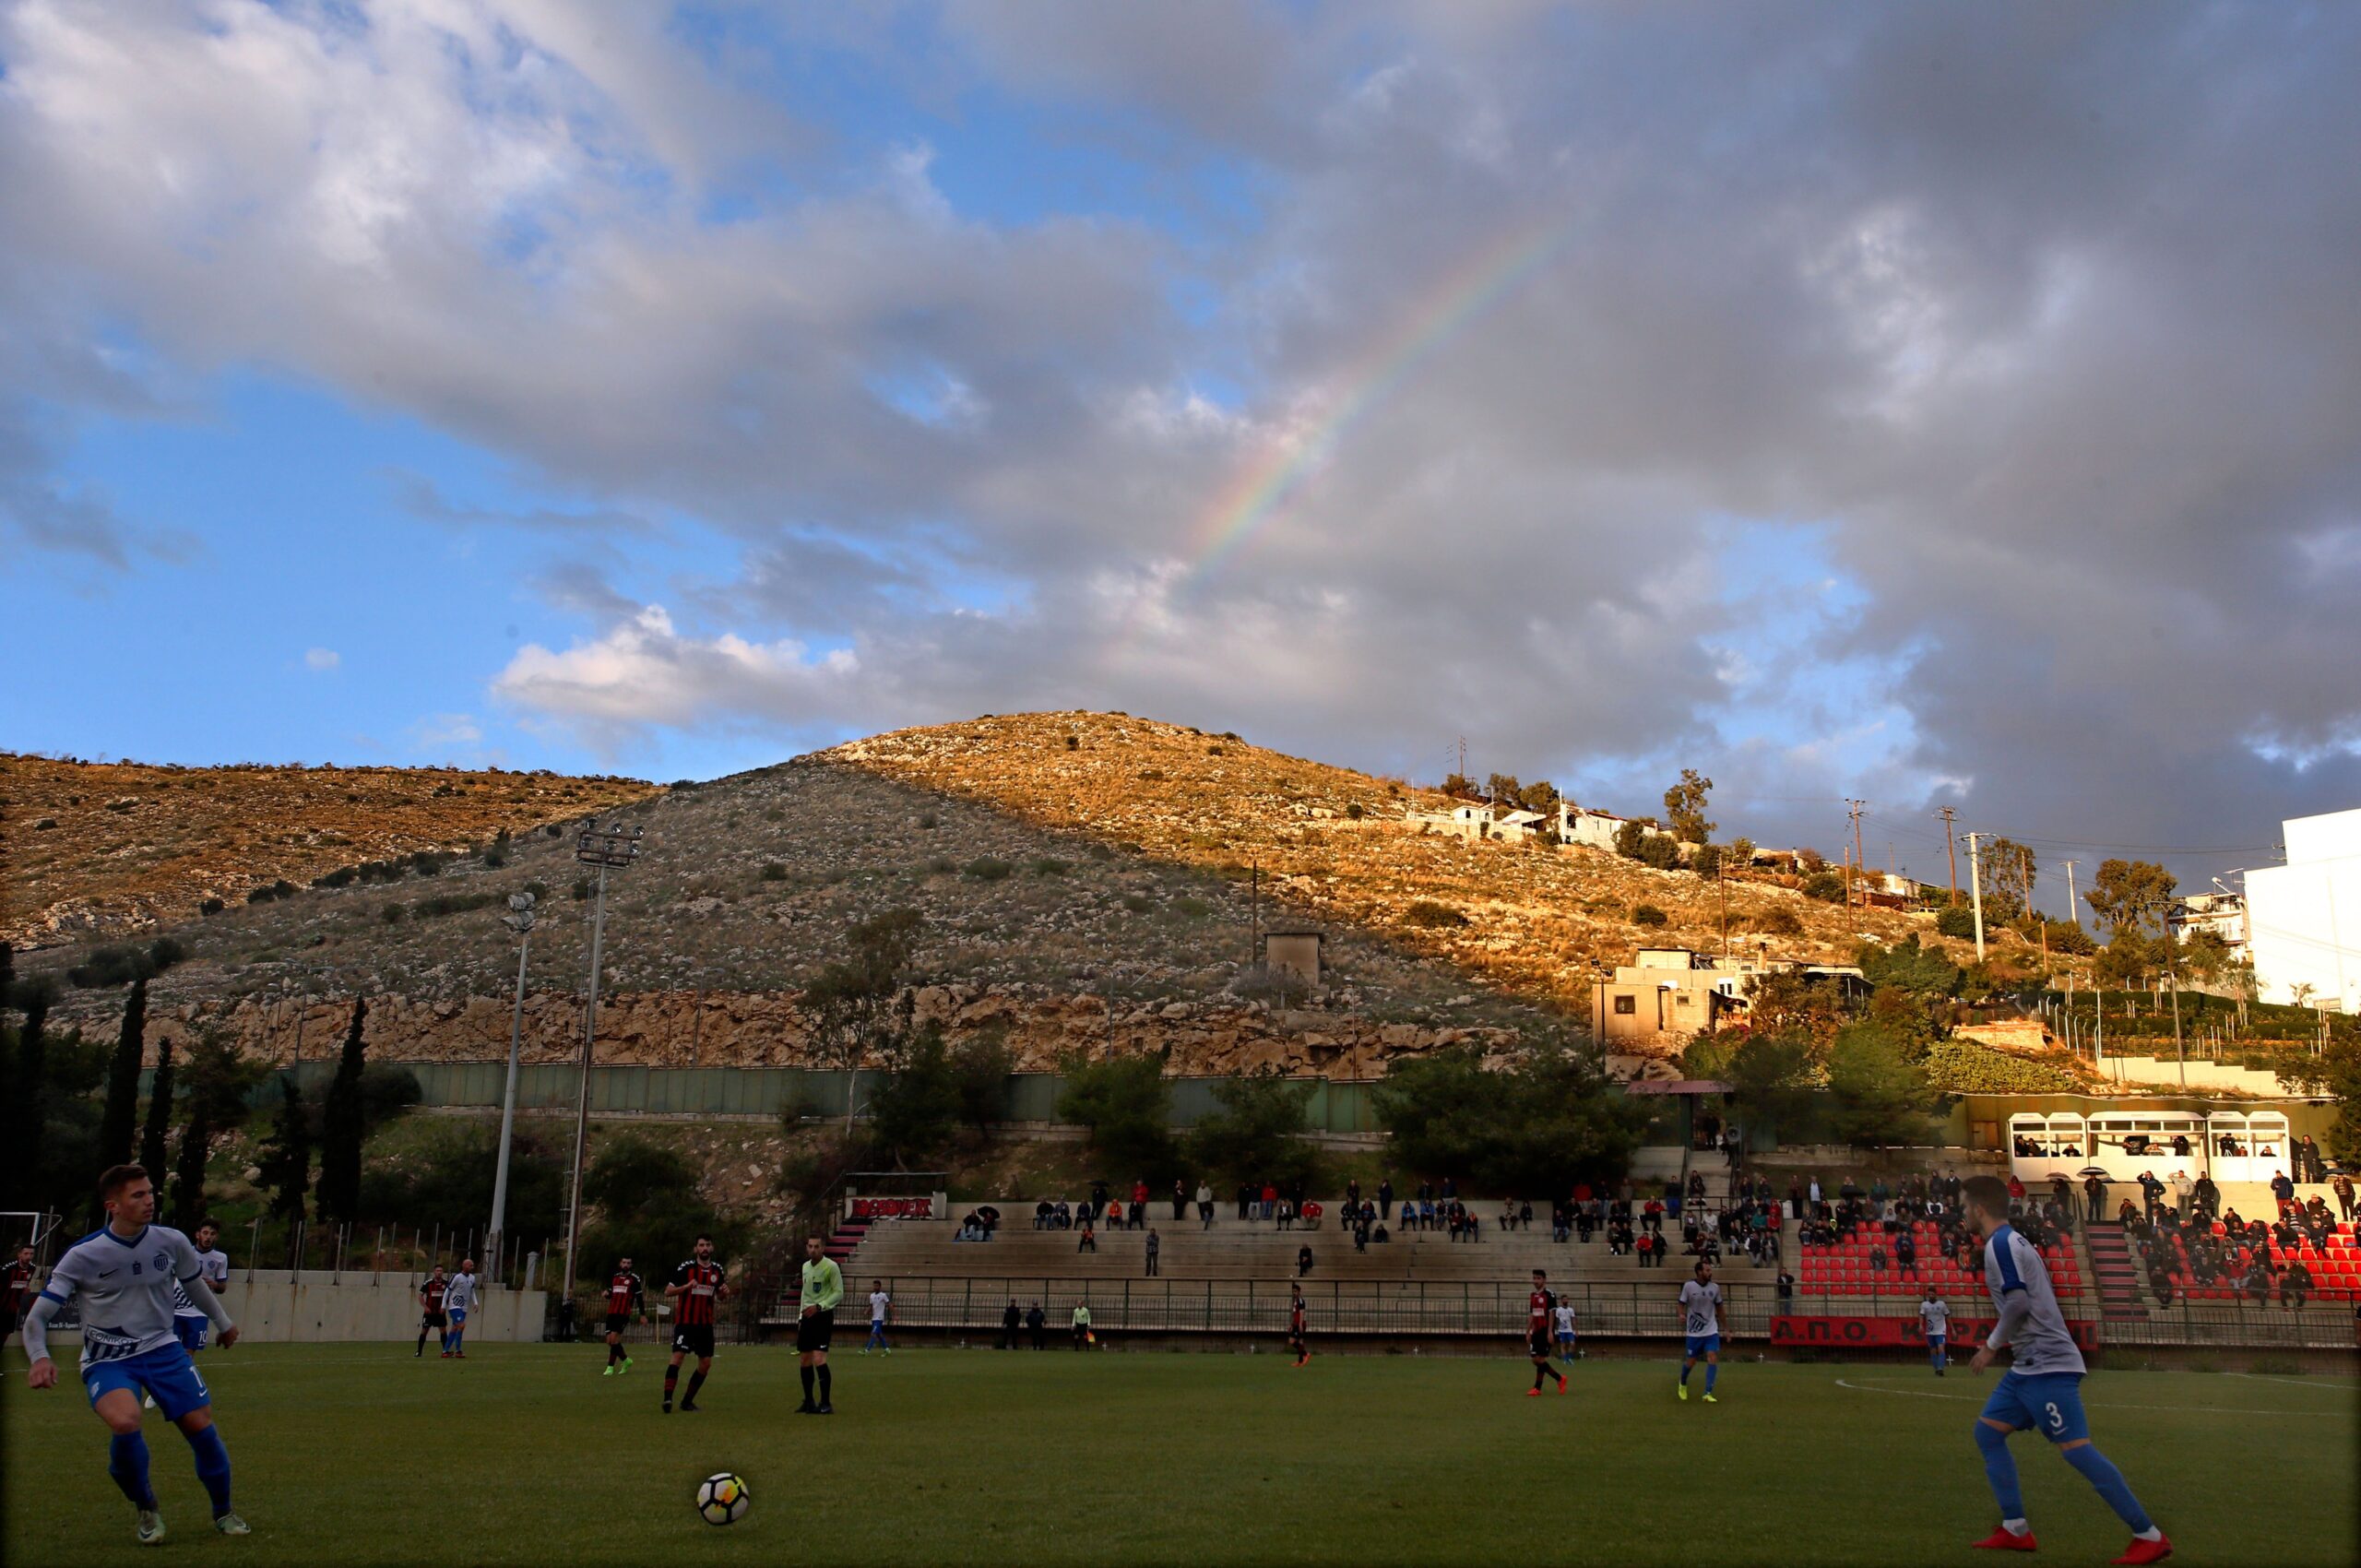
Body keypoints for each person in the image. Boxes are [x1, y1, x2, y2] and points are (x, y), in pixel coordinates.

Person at [21, 1164, 245, 1543]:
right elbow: (37, 1317)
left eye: (150, 1192)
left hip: (164, 1349)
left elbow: (194, 1286)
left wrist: (223, 1323)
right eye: (138, 1195)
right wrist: (40, 1357)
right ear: (113, 1205)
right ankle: (146, 1507)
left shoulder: (171, 1241)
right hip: (108, 1358)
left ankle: (224, 1511)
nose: (149, 1201)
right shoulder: (83, 1254)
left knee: (201, 1428)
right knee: (126, 1421)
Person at [1960, 1173, 2169, 1563]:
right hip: (2027, 1367)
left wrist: (1990, 1347)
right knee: (1987, 1433)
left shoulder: (2000, 1245)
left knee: (2076, 1451)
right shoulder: (2010, 1241)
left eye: (1965, 1206)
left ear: (1980, 1209)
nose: (1963, 1213)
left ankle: (2148, 1535)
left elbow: (2018, 1303)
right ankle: (2015, 1529)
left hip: (2047, 1364)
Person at [664, 1234, 728, 1414]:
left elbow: (720, 1296)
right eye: (701, 1245)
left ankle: (687, 1402)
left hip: (705, 1325)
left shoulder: (717, 1270)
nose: (704, 1248)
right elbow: (668, 1291)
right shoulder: (686, 1268)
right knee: (678, 1357)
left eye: (707, 1245)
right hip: (685, 1323)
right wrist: (686, 1286)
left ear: (712, 1248)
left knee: (705, 1364)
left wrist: (724, 1293)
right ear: (695, 1249)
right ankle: (667, 1398)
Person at [794, 1235, 838, 1414]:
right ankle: (809, 1401)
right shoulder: (805, 1266)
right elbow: (804, 1294)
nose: (813, 1250)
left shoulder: (831, 1267)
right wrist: (800, 1316)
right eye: (810, 1246)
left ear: (823, 1248)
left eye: (816, 1246)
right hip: (807, 1317)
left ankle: (826, 1403)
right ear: (807, 1247)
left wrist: (820, 1306)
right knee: (804, 1359)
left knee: (819, 1358)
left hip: (822, 1316)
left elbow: (839, 1293)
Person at [1676, 1260, 1723, 1403]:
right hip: (1694, 1333)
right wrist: (1681, 1314)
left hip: (1711, 1330)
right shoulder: (1689, 1286)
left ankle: (1707, 1393)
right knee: (1691, 1362)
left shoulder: (1715, 1288)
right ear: (1699, 1272)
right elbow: (1681, 1304)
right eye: (1707, 1270)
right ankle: (1682, 1383)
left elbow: (1720, 1308)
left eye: (1710, 1270)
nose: (1710, 1273)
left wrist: (1726, 1328)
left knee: (1712, 1357)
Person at [1525, 1269, 1567, 1396]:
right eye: (1534, 1278)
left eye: (1538, 1278)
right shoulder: (1533, 1296)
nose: (1535, 1281)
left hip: (1545, 1330)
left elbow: (1551, 1313)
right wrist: (1528, 1331)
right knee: (1536, 1359)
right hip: (1536, 1331)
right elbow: (1532, 1314)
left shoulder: (1550, 1294)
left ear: (1544, 1280)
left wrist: (1550, 1332)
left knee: (1539, 1359)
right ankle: (1560, 1379)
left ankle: (1537, 1388)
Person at [602, 1257, 647, 1375]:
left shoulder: (634, 1279)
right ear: (620, 1264)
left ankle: (610, 1367)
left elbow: (639, 1298)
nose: (626, 1264)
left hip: (623, 1313)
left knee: (614, 1339)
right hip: (611, 1312)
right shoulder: (615, 1277)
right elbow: (611, 1293)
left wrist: (642, 1314)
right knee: (609, 1341)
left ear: (631, 1265)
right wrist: (606, 1294)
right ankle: (626, 1360)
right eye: (624, 1262)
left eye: (628, 1263)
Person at [4, 1243, 39, 1364]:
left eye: (31, 1254)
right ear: (19, 1254)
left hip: (12, 1308)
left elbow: (24, 1284)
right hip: (1, 1305)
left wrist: (25, 1289)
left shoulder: (32, 1268)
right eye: (26, 1253)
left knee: (5, 1335)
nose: (29, 1256)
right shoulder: (8, 1268)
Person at [442, 1257, 479, 1359]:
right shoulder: (457, 1277)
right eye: (470, 1265)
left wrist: (476, 1303)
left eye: (472, 1265)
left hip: (464, 1307)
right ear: (464, 1266)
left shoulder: (472, 1278)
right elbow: (448, 1290)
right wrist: (443, 1305)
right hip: (454, 1305)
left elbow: (472, 1291)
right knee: (461, 1325)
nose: (472, 1267)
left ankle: (445, 1351)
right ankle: (458, 1350)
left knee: (455, 1328)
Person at [415, 1265, 448, 1359]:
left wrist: (444, 1307)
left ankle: (445, 1351)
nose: (439, 1272)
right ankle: (419, 1352)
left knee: (443, 1330)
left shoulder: (446, 1283)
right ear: (434, 1272)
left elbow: (450, 1296)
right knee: (424, 1330)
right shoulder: (428, 1283)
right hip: (429, 1313)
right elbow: (420, 1295)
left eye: (441, 1271)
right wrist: (425, 1307)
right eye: (437, 1270)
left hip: (440, 1312)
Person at [1921, 1287, 1952, 1376]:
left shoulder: (1941, 1304)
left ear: (1936, 1295)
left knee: (1941, 1348)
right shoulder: (1924, 1305)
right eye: (1929, 1294)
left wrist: (1952, 1328)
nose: (1930, 1296)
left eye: (1932, 1294)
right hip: (1930, 1331)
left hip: (1941, 1330)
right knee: (1933, 1350)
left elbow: (1947, 1315)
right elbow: (1921, 1315)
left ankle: (1940, 1368)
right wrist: (1920, 1325)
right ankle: (1936, 1368)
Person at [862, 1279, 892, 1355]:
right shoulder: (872, 1295)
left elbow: (889, 1304)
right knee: (879, 1335)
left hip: (879, 1318)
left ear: (880, 1287)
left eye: (877, 1286)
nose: (875, 1287)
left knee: (873, 1333)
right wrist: (866, 1311)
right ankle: (887, 1349)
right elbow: (871, 1306)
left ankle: (867, 1350)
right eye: (874, 1286)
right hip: (874, 1318)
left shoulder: (883, 1295)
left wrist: (895, 1314)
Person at [1287, 1283, 1310, 1368]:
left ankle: (1306, 1354)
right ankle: (1300, 1362)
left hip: (1299, 1324)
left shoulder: (1300, 1300)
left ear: (1299, 1291)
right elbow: (1295, 1314)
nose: (1294, 1293)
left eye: (1296, 1291)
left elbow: (1302, 1312)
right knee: (1300, 1342)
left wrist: (1300, 1324)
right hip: (1296, 1324)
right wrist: (1291, 1325)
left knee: (1291, 1341)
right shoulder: (1296, 1301)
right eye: (1293, 1291)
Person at [1553, 1297, 1579, 1363]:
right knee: (1563, 1345)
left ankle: (1568, 1358)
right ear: (1561, 1301)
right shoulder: (1558, 1310)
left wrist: (1576, 1330)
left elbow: (1573, 1320)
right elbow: (1557, 1320)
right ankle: (1565, 1360)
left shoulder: (1571, 1310)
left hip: (1569, 1330)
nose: (1565, 1300)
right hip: (1561, 1330)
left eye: (1566, 1299)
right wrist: (1555, 1329)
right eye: (1564, 1299)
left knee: (1572, 1344)